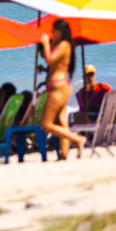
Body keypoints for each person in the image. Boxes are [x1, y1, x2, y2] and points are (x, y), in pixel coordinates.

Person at [39, 19, 86, 159]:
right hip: (60, 86)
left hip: (58, 88)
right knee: (62, 122)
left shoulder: (65, 44)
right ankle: (64, 154)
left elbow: (49, 59)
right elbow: (53, 65)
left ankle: (78, 139)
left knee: (46, 124)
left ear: (60, 31)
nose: (52, 33)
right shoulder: (62, 45)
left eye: (54, 30)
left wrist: (46, 43)